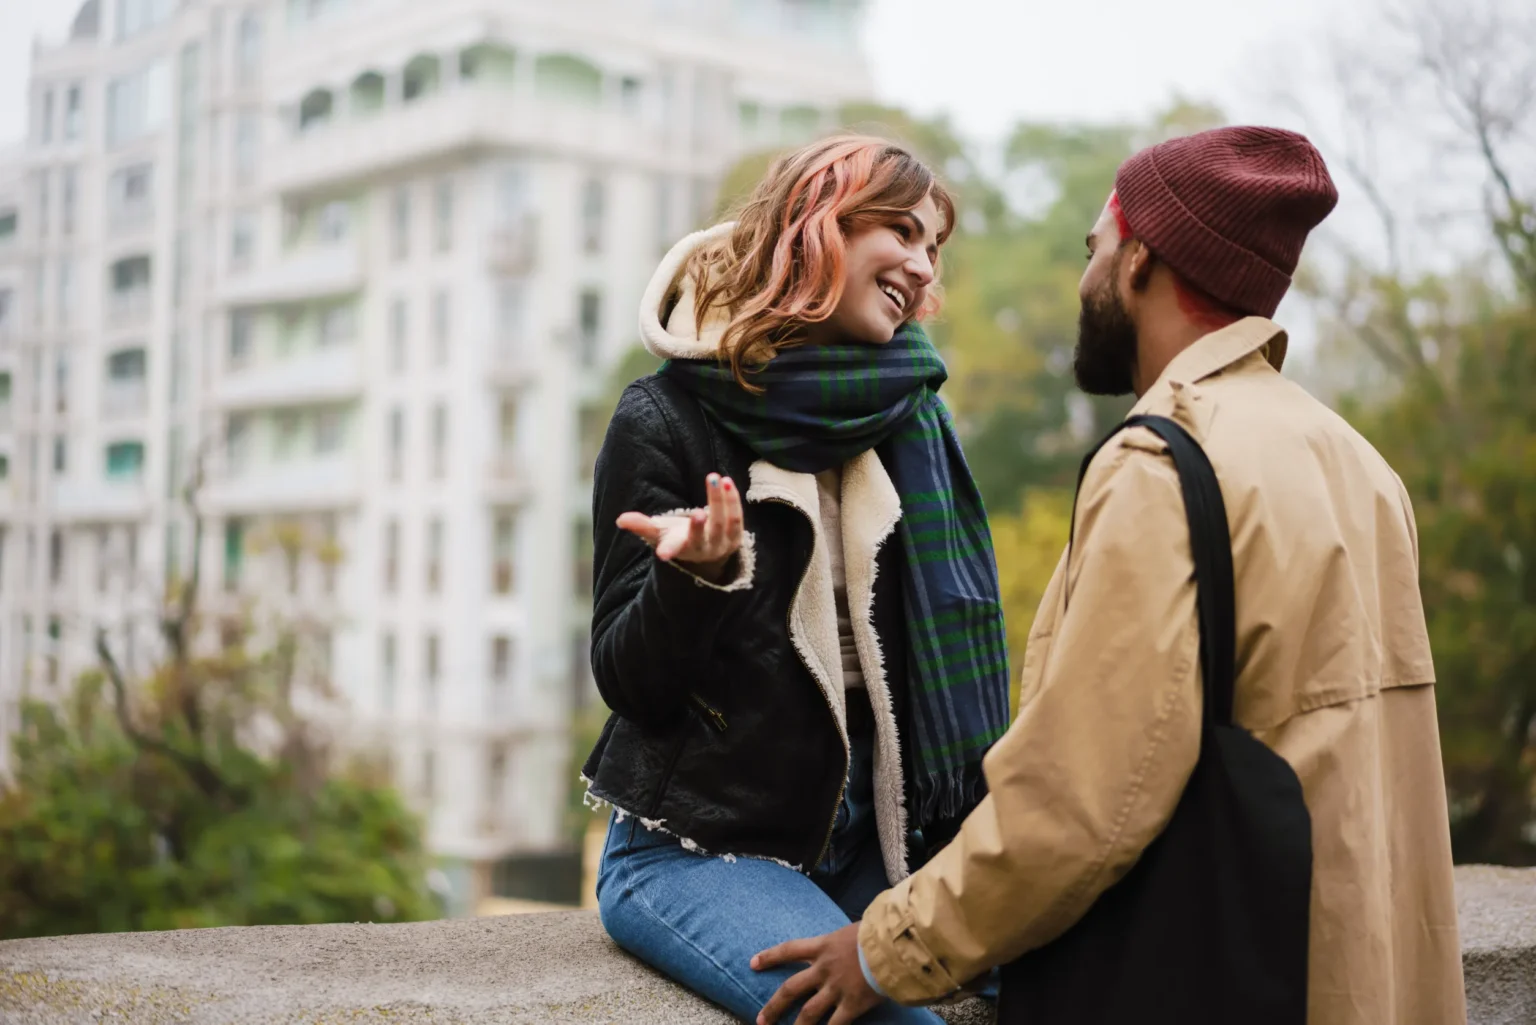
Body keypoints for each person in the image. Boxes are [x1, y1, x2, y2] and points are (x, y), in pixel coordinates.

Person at [754, 126, 1468, 1025]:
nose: (1084, 277)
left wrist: (885, 948)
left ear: (1139, 261)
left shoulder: (1165, 463)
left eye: (1093, 248)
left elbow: (1081, 802)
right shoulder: (1358, 463)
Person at [582, 135, 1012, 1024]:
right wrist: (692, 582)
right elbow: (628, 681)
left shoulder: (912, 415)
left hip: (881, 837)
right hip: (704, 849)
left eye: (935, 248)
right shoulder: (667, 414)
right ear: (816, 228)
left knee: (1093, 965)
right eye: (902, 231)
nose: (924, 267)